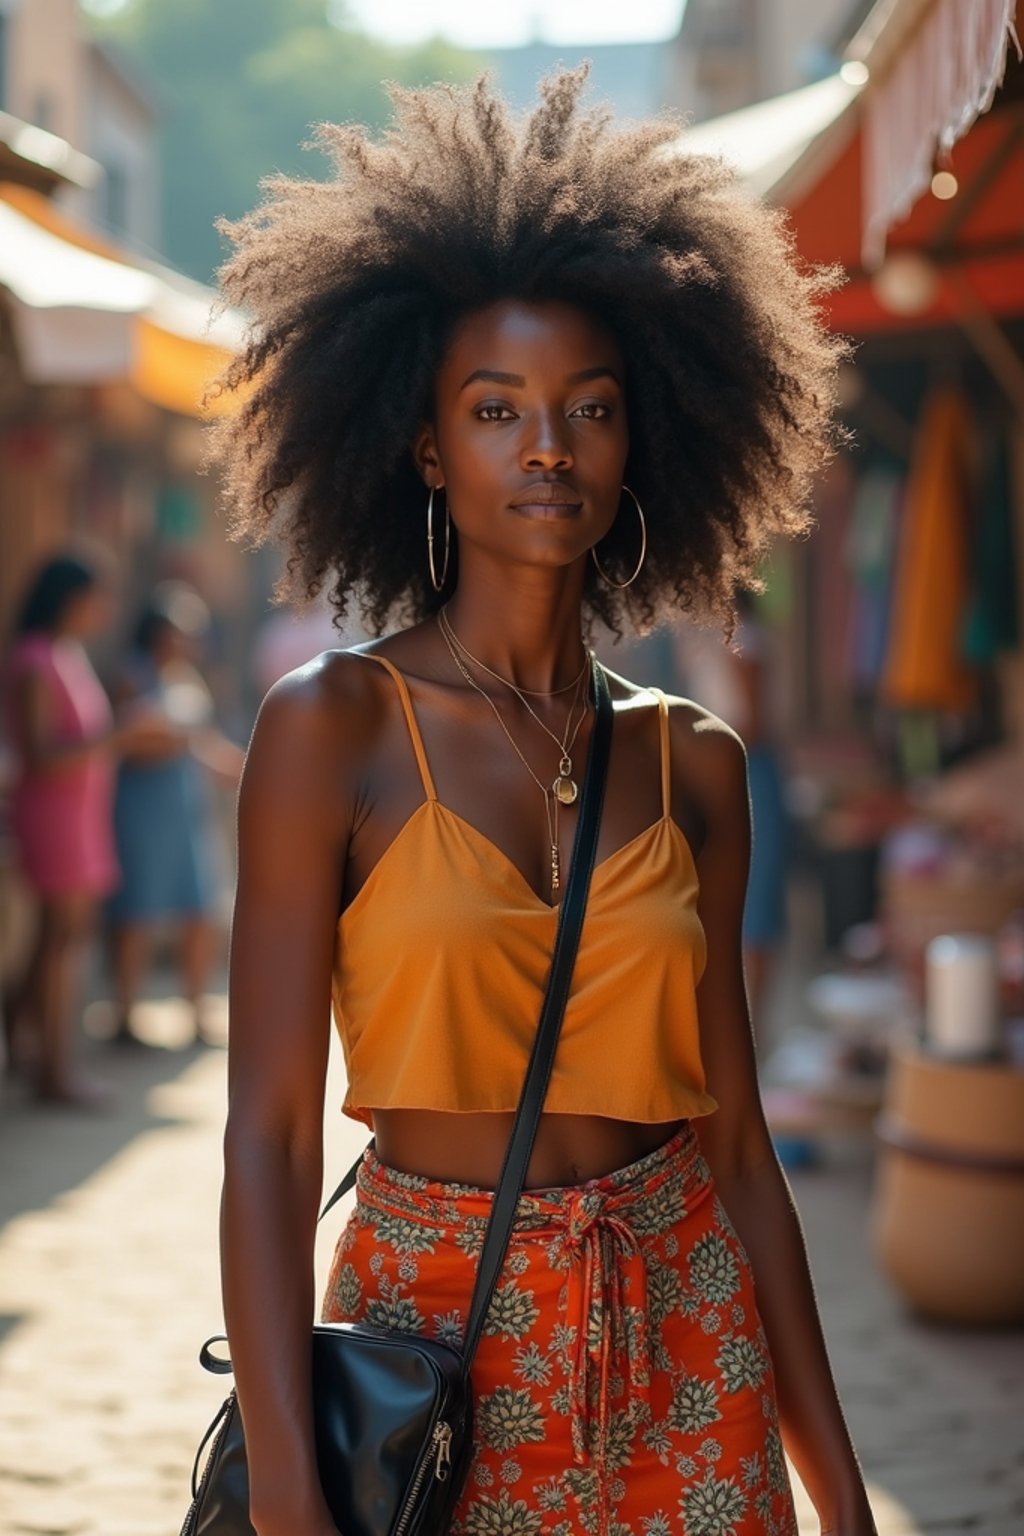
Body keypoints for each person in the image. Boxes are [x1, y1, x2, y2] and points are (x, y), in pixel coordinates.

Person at [212, 72, 876, 1536]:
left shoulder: (696, 759)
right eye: (495, 410)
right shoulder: (332, 729)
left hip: (689, 1330)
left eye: (591, 408)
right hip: (429, 1347)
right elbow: (265, 1136)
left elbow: (741, 1148)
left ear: (648, 438)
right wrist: (281, 1490)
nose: (549, 449)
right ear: (423, 446)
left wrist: (834, 1483)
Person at [2, 553, 164, 1104]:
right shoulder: (34, 659)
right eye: (97, 597)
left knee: (57, 938)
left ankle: (31, 1053)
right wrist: (120, 735)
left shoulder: (63, 654)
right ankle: (53, 1070)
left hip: (77, 814)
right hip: (53, 816)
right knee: (61, 940)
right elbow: (43, 755)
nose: (105, 609)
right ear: (69, 599)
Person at [106, 581, 243, 1046]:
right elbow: (124, 744)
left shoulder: (187, 679)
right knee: (138, 914)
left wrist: (244, 768)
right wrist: (171, 742)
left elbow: (199, 744)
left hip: (186, 809)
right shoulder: (134, 674)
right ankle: (125, 1015)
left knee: (199, 911)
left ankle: (195, 1011)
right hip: (143, 809)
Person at [677, 591, 790, 1038]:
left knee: (755, 901)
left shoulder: (742, 637)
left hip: (746, 774)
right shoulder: (707, 637)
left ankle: (752, 1029)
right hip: (721, 774)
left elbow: (752, 723)